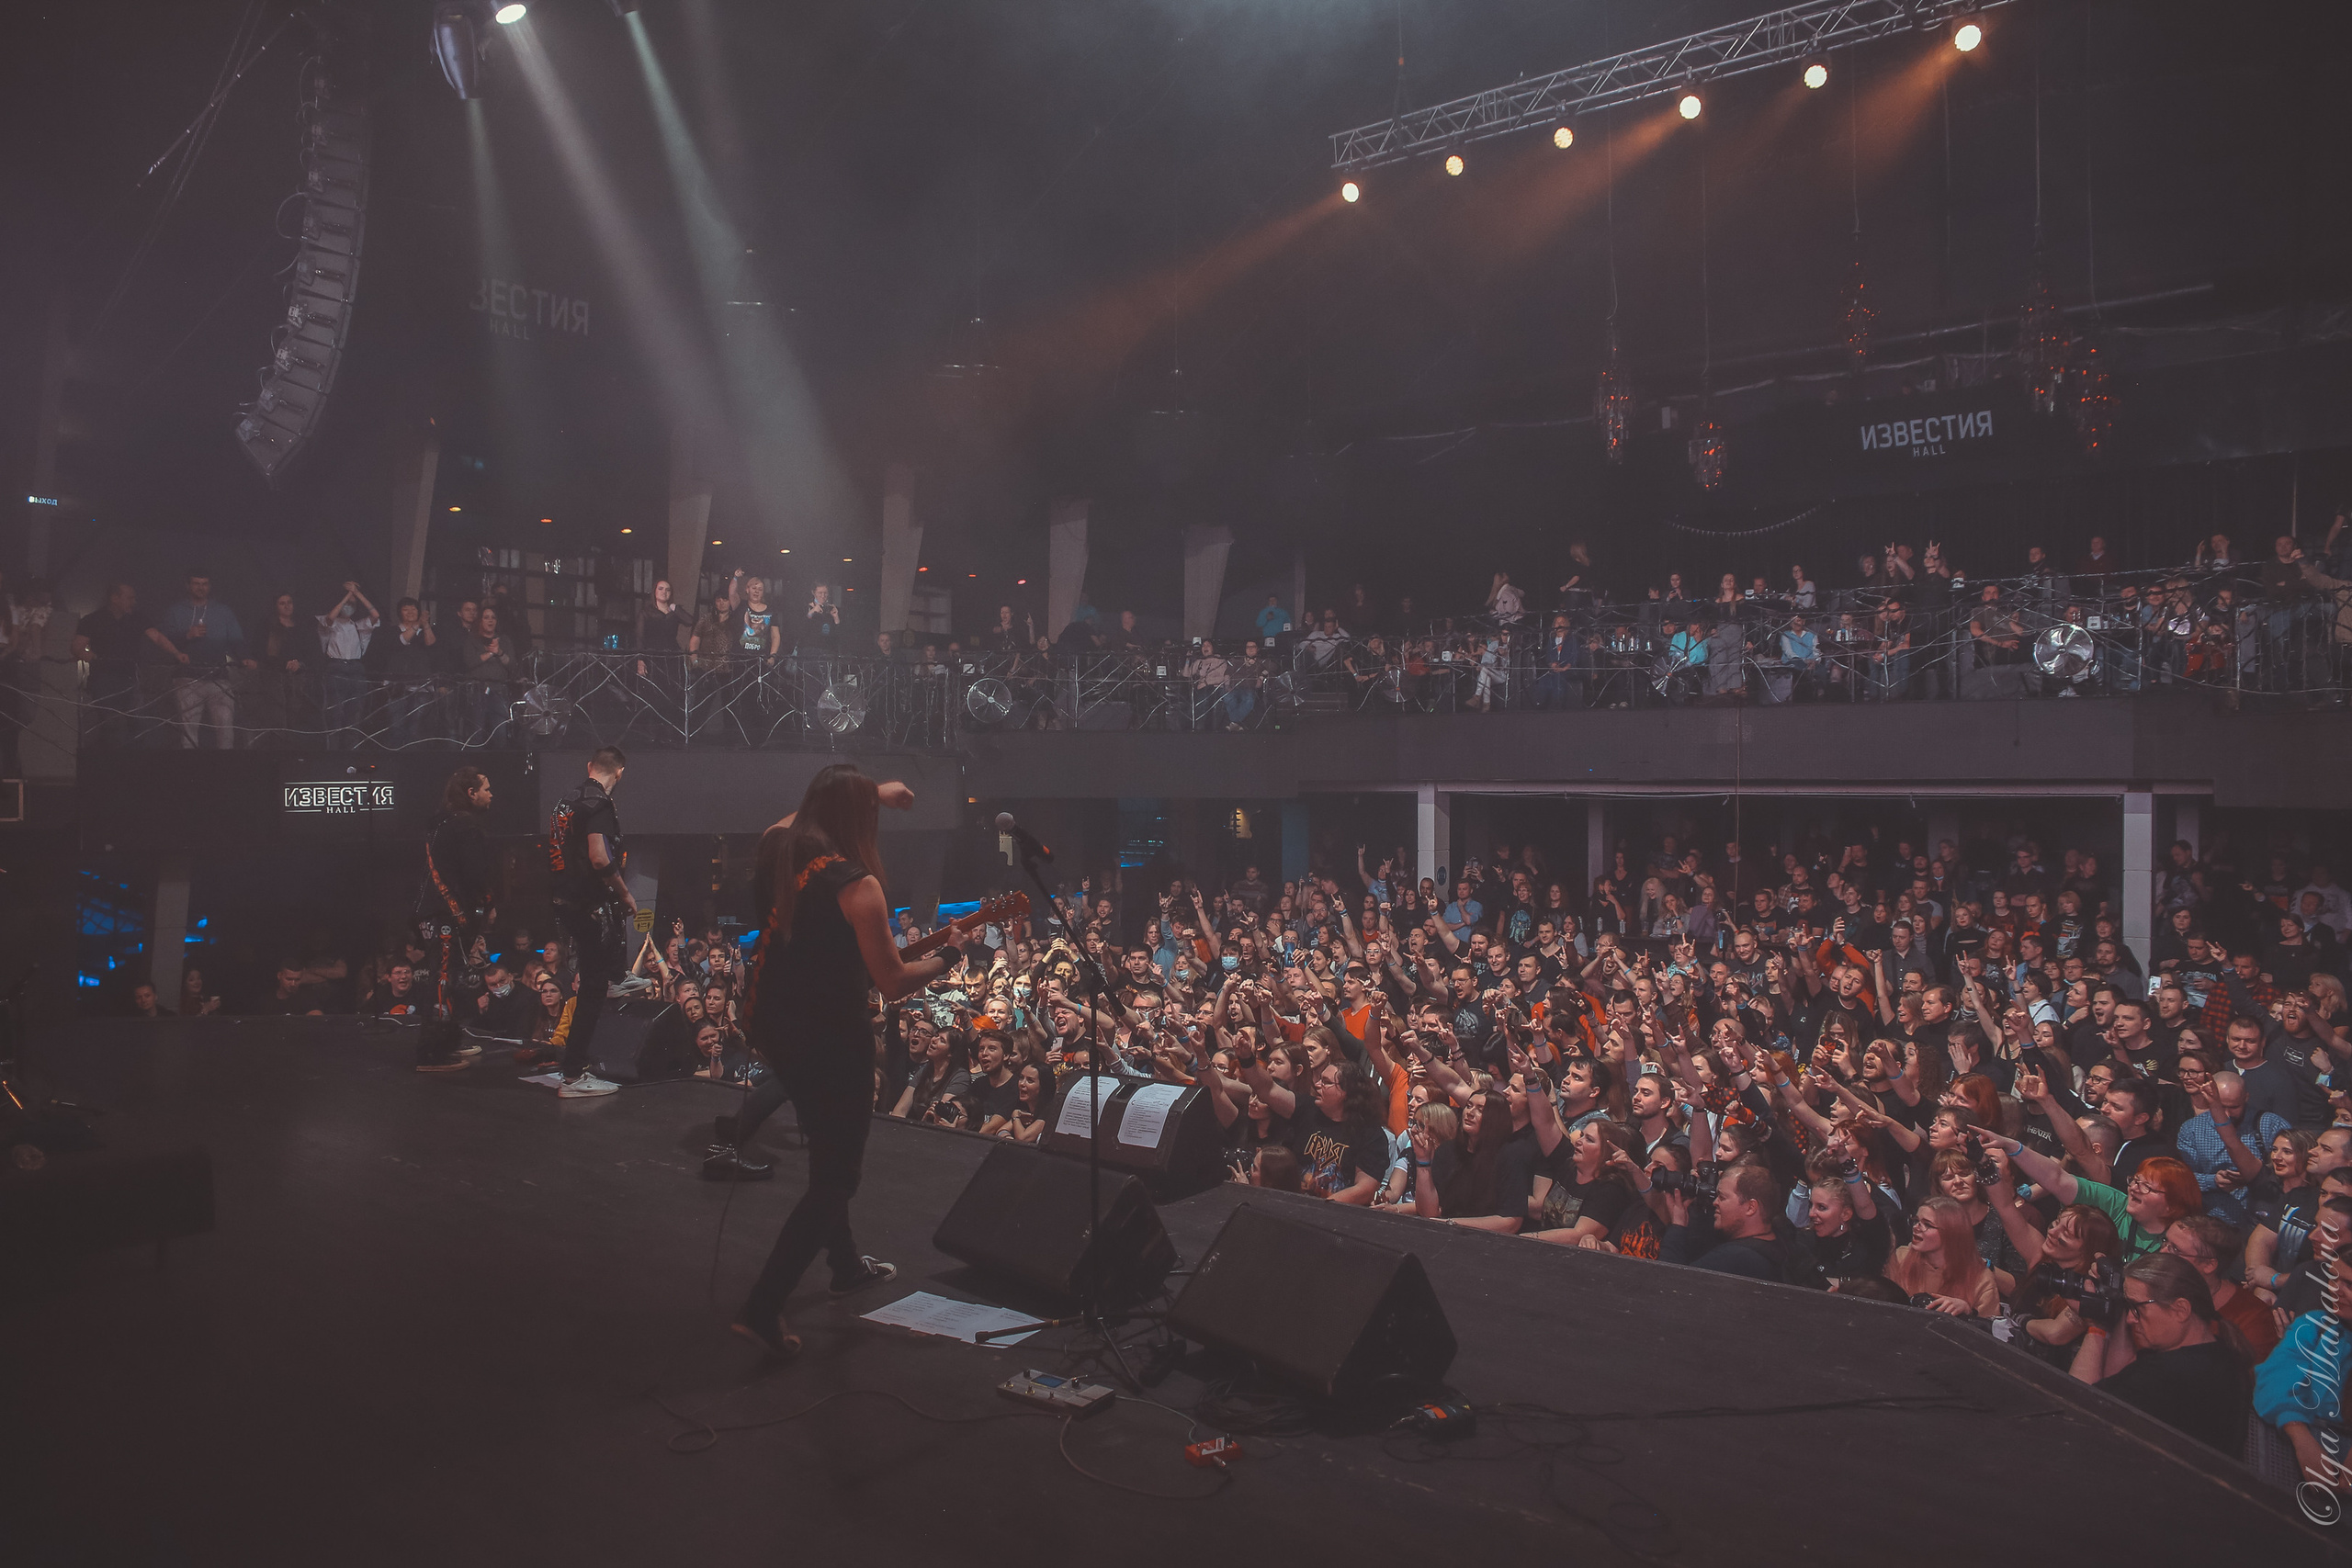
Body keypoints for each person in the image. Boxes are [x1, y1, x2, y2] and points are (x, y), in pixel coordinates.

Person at [731, 765, 944, 1359]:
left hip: (774, 1025)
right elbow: (894, 980)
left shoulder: (778, 847)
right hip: (831, 1038)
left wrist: (862, 792)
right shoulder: (858, 884)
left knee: (825, 1145)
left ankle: (846, 1264)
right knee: (836, 1177)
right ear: (860, 817)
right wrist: (946, 960)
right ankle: (762, 1305)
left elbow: (797, 816)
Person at [2070, 1254, 2254, 1457]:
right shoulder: (2221, 1353)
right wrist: (2115, 1312)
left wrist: (2095, 1327)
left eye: (2137, 1308)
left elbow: (2078, 1406)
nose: (2131, 1319)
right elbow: (2115, 1377)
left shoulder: (2167, 1376)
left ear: (2180, 1309)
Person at [545, 748, 635, 1099]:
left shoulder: (564, 802)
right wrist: (625, 893)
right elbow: (599, 857)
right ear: (621, 773)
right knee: (594, 986)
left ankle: (617, 977)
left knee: (596, 972)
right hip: (585, 903)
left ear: (589, 767)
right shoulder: (599, 804)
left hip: (563, 900)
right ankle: (573, 1074)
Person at [415, 768, 497, 1073]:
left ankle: (447, 1043)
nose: (491, 794)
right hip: (445, 912)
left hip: (436, 911)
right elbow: (476, 875)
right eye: (486, 788)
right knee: (443, 978)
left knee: (451, 975)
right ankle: (431, 1053)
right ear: (471, 794)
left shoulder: (441, 824)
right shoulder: (465, 827)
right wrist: (489, 903)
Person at [155, 571, 250, 749]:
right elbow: (162, 641)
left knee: (225, 730)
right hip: (187, 679)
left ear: (210, 586)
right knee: (188, 734)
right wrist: (187, 635)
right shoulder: (176, 611)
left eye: (205, 584)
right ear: (188, 586)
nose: (201, 587)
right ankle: (191, 772)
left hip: (219, 678)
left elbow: (237, 640)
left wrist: (245, 658)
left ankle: (225, 772)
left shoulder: (223, 611)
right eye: (197, 583)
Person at [316, 581, 380, 748]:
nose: (349, 606)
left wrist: (356, 593)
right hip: (335, 667)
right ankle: (333, 752)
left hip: (356, 668)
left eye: (352, 604)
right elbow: (330, 618)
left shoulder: (358, 626)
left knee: (355, 714)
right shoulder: (329, 623)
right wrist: (346, 595)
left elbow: (375, 615)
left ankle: (351, 751)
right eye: (347, 603)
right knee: (335, 713)